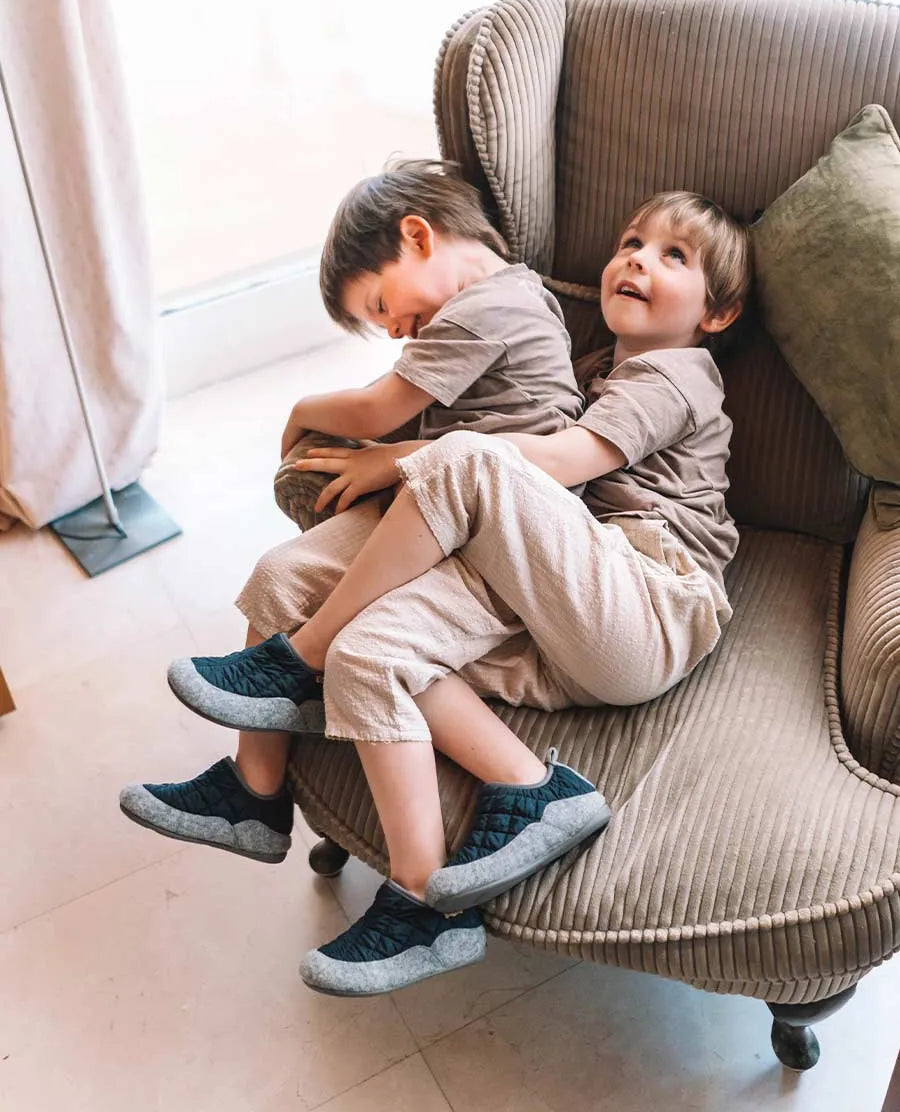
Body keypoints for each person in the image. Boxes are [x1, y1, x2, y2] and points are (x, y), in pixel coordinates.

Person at [120, 190, 752, 999]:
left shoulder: (680, 374)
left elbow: (558, 463)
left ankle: (294, 662)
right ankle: (429, 882)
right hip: (566, 606)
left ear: (719, 314)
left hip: (652, 605)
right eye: (631, 240)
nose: (636, 258)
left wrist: (396, 462)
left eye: (673, 257)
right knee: (359, 642)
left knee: (466, 456)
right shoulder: (594, 368)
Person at [278, 156, 582, 519]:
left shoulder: (482, 311)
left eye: (380, 304)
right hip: (493, 491)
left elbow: (374, 410)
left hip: (517, 501)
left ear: (418, 238)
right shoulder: (517, 294)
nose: (392, 331)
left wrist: (301, 412)